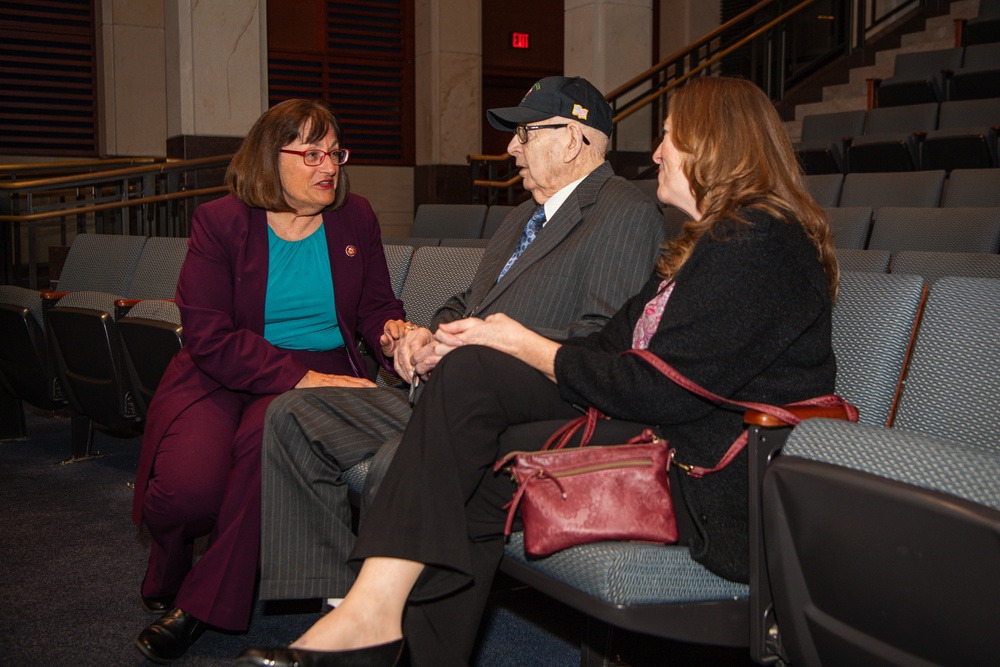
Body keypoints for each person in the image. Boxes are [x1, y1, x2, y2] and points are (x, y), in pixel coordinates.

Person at [238, 76, 840, 667]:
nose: (655, 152)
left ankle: (372, 620)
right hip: (657, 434)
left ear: (716, 145)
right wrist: (487, 341)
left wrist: (520, 343)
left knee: (479, 411)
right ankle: (382, 624)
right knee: (474, 433)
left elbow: (657, 386)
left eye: (669, 137)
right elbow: (609, 345)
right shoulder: (703, 247)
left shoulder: (764, 239)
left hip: (707, 475)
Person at [258, 76, 664, 603]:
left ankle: (387, 624)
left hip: (518, 412)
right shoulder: (523, 215)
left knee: (395, 460)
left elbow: (600, 340)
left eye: (525, 132)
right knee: (292, 414)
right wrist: (428, 333)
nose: (510, 148)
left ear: (570, 138)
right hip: (445, 391)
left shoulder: (623, 211)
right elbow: (469, 300)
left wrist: (484, 344)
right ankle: (329, 597)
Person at [131, 99, 411, 664]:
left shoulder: (355, 217)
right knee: (186, 494)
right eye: (310, 153)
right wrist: (298, 375)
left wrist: (392, 334)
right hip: (224, 372)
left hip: (314, 374)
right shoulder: (220, 222)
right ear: (269, 156)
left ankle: (198, 607)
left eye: (333, 152)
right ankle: (174, 556)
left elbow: (375, 306)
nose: (327, 165)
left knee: (262, 456)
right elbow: (207, 335)